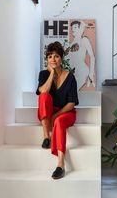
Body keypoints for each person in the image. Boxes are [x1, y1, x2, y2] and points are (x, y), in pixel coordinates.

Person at [36, 41, 79, 179]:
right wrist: (51, 74)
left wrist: (55, 116)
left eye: (56, 56)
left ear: (61, 58)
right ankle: (46, 137)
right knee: (44, 97)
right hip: (47, 111)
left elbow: (71, 103)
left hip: (66, 112)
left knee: (59, 121)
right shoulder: (43, 74)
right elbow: (42, 91)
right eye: (49, 57)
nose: (53, 59)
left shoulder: (70, 77)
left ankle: (60, 164)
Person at [69, 20, 95, 90]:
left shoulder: (84, 40)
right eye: (72, 28)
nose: (72, 30)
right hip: (75, 72)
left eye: (75, 27)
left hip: (82, 71)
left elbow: (92, 57)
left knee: (72, 92)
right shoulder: (72, 44)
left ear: (80, 28)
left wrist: (91, 74)